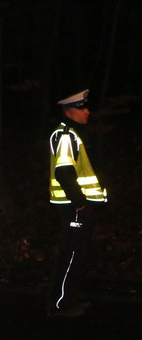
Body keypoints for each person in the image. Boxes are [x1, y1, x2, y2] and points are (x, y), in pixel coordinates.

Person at [47, 88, 106, 318]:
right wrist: (80, 203)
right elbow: (64, 173)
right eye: (84, 108)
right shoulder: (65, 136)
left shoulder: (73, 135)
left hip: (76, 207)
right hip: (73, 208)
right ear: (70, 111)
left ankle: (67, 300)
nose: (88, 112)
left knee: (75, 254)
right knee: (70, 254)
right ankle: (60, 305)